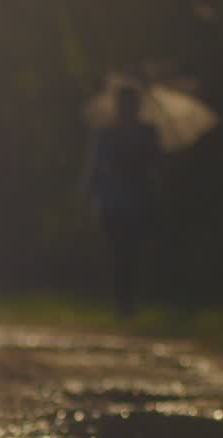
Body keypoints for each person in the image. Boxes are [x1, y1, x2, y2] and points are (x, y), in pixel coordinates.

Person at [83, 85, 162, 318]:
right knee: (119, 252)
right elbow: (95, 168)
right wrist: (89, 194)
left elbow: (156, 165)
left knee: (131, 253)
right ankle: (122, 302)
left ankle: (128, 301)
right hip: (112, 202)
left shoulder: (147, 134)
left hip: (138, 201)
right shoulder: (106, 134)